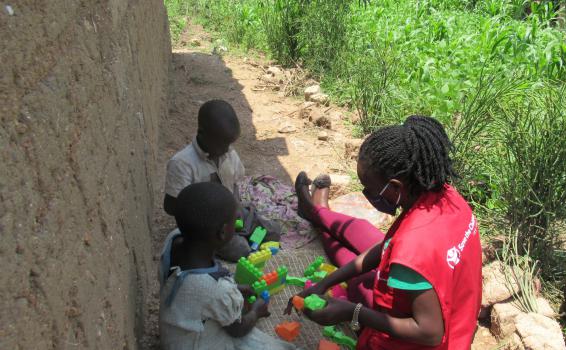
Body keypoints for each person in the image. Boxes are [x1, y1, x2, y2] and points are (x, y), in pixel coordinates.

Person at [287, 115, 482, 349]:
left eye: (369, 189)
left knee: (362, 282)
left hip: (435, 338)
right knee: (364, 239)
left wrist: (354, 312)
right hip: (454, 312)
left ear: (396, 186)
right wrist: (327, 282)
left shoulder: (412, 251)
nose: (367, 195)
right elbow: (386, 248)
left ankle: (317, 214)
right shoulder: (444, 196)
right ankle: (318, 213)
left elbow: (430, 333)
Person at [159, 182, 298, 350]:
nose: (239, 223)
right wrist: (256, 311)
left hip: (175, 333)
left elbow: (195, 292)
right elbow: (237, 330)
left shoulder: (174, 239)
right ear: (223, 231)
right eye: (236, 220)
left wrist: (236, 288)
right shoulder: (217, 289)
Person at [163, 99, 249, 261]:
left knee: (270, 229)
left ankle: (239, 231)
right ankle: (212, 247)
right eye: (222, 144)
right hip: (205, 229)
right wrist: (204, 210)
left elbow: (235, 184)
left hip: (228, 215)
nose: (226, 150)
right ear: (202, 133)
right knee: (241, 250)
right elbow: (170, 206)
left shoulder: (227, 153)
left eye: (229, 144)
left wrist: (236, 205)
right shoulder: (182, 164)